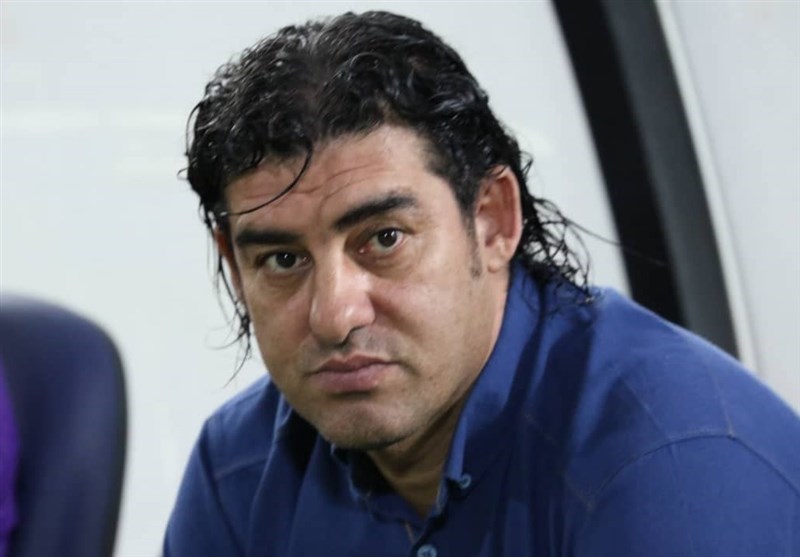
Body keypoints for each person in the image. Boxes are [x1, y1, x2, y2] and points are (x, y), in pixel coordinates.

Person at [164, 11, 800, 557]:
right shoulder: (239, 472)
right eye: (282, 259)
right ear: (234, 267)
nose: (334, 315)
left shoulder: (674, 467)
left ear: (493, 220)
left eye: (384, 239)